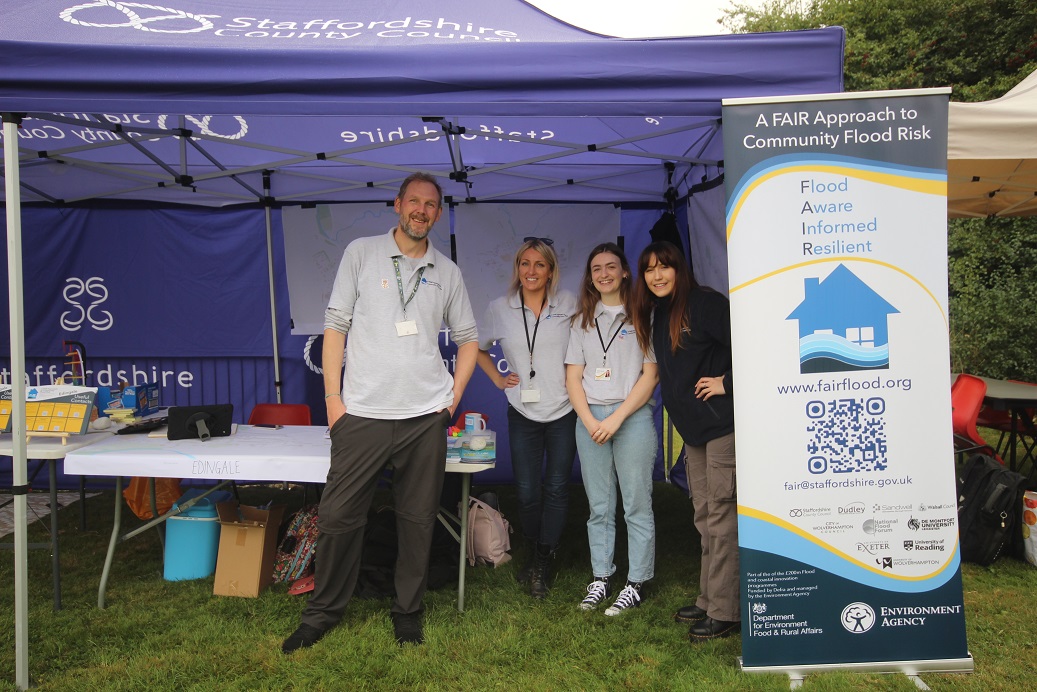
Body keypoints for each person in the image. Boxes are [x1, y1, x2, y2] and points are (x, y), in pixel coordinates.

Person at [282, 172, 478, 652]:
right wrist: (333, 400)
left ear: (438, 212)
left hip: (423, 418)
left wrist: (449, 402)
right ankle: (323, 613)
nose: (422, 211)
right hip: (362, 414)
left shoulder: (447, 271)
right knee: (338, 518)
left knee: (417, 520)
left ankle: (407, 611)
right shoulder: (361, 253)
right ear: (397, 205)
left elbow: (469, 341)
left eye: (431, 204)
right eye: (414, 201)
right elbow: (335, 326)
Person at [632, 240, 740, 642]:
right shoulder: (660, 313)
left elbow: (753, 347)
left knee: (722, 516)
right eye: (649, 269)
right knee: (703, 514)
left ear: (680, 269)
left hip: (722, 427)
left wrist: (725, 383)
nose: (657, 275)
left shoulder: (705, 303)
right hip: (693, 433)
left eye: (665, 267)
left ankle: (727, 610)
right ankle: (711, 598)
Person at [477, 237, 577, 599]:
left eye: (539, 265)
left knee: (556, 487)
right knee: (527, 491)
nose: (531, 271)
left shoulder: (569, 304)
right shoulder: (499, 307)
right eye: (525, 264)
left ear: (551, 270)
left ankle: (544, 557)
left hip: (565, 409)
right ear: (517, 268)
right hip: (522, 410)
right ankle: (536, 549)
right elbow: (476, 347)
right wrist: (498, 379)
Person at [565, 243, 658, 616]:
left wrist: (616, 419)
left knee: (636, 503)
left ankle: (636, 582)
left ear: (623, 273)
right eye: (596, 269)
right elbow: (573, 378)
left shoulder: (643, 316)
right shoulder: (580, 322)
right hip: (590, 420)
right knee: (599, 506)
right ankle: (601, 577)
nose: (603, 274)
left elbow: (650, 376)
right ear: (590, 278)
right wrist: (590, 421)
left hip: (630, 417)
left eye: (611, 267)